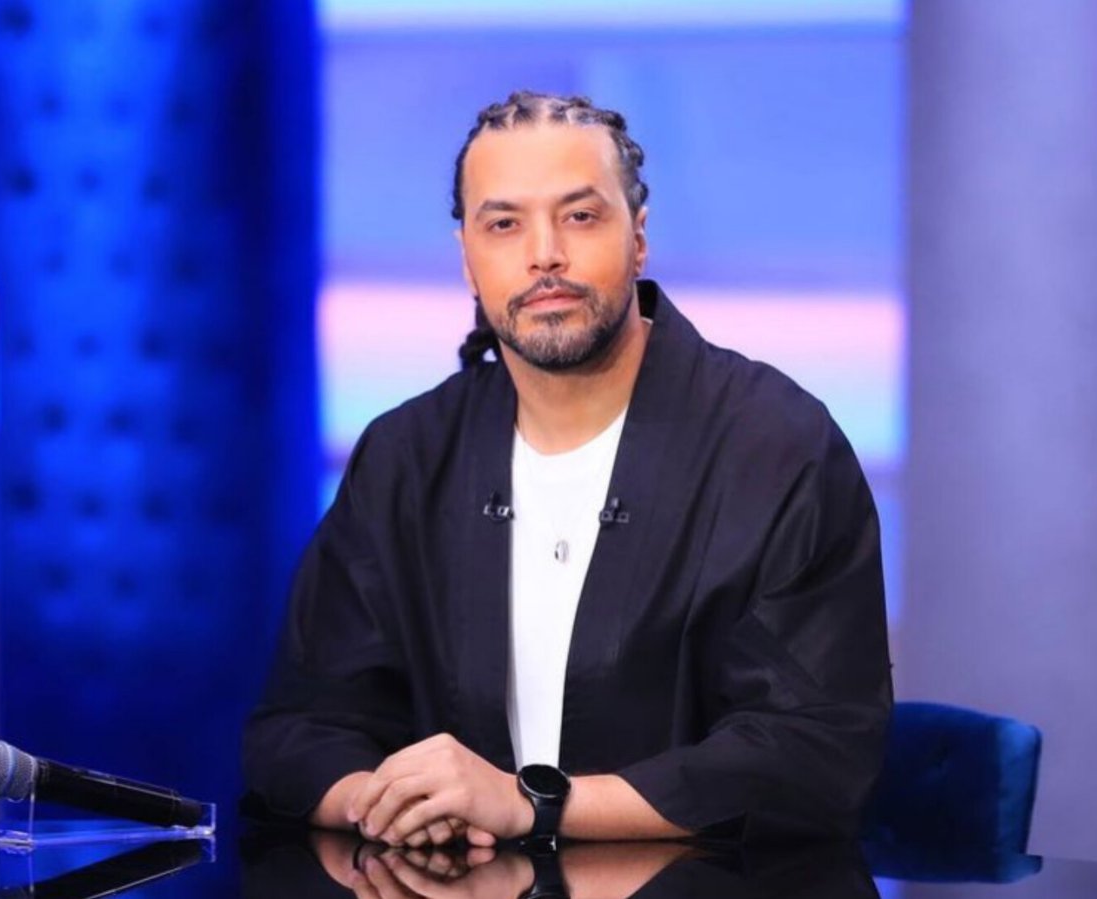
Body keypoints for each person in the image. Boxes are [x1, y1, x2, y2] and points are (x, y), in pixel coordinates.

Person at [242, 90, 891, 849]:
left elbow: (810, 750)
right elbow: (303, 727)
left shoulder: (778, 445)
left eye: (580, 216)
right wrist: (395, 803)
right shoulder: (406, 455)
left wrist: (535, 806)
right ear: (467, 258)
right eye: (504, 224)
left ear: (638, 237)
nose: (544, 253)